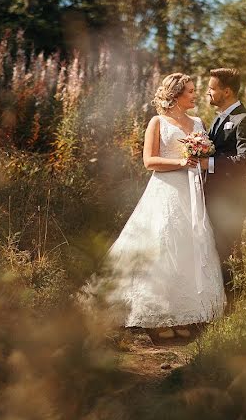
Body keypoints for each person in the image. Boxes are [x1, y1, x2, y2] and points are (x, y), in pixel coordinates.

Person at [93, 73, 225, 339]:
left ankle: (184, 315)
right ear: (175, 95)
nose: (194, 95)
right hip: (166, 191)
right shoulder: (158, 122)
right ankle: (157, 319)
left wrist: (199, 159)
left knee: (189, 247)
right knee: (164, 246)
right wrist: (180, 163)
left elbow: (207, 159)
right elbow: (149, 161)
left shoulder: (199, 123)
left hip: (192, 193)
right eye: (189, 91)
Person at [200, 68, 246, 302]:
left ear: (226, 91)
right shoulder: (218, 118)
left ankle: (233, 306)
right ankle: (217, 301)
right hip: (213, 195)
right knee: (215, 249)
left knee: (229, 251)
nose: (208, 92)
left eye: (212, 89)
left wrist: (210, 164)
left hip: (231, 197)